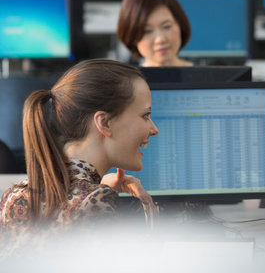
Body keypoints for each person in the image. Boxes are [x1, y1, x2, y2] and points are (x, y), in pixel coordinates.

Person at [0, 59, 159, 255]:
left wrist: (95, 189)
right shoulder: (97, 201)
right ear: (105, 123)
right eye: (145, 115)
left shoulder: (13, 196)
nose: (154, 129)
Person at [117, 0, 193, 67]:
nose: (160, 39)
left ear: (180, 24)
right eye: (147, 31)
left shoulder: (205, 77)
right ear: (131, 37)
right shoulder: (126, 80)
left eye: (166, 26)